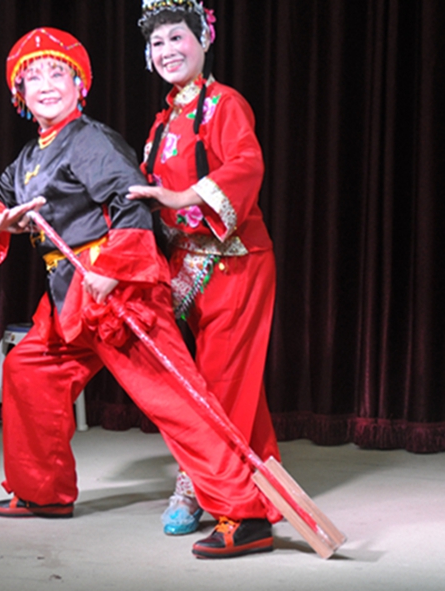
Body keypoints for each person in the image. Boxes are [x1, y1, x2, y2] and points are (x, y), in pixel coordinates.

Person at [0, 27, 280, 559]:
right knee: (29, 370)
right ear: (19, 93)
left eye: (58, 73)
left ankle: (244, 513)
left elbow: (131, 202)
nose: (46, 85)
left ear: (79, 85)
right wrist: (1, 218)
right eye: (33, 77)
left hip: (117, 291)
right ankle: (43, 492)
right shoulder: (30, 157)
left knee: (175, 399)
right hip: (68, 295)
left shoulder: (90, 140)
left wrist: (113, 269)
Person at [128, 0, 281, 536]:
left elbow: (246, 165)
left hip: (234, 260)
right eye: (157, 43)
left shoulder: (224, 104)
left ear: (204, 40)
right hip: (188, 264)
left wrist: (179, 196)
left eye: (177, 37)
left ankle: (199, 487)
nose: (167, 50)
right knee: (230, 383)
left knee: (218, 383)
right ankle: (263, 479)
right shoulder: (163, 120)